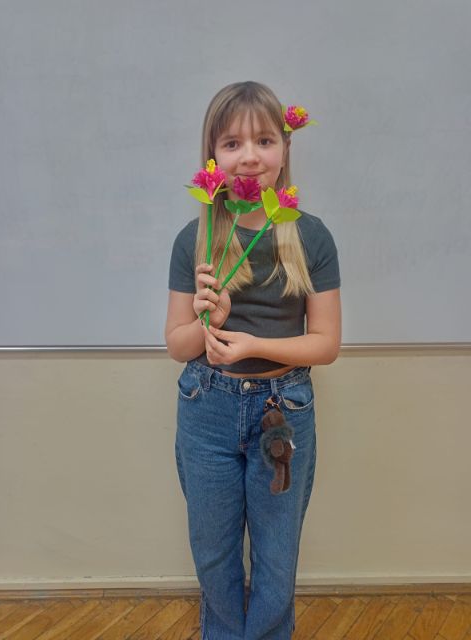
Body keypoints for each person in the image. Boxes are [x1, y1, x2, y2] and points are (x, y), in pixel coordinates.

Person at [165, 81, 341, 640]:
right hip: (206, 407)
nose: (249, 156)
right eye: (232, 143)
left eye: (264, 140)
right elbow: (177, 345)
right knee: (214, 555)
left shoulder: (310, 237)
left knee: (276, 558)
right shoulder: (195, 239)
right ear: (213, 156)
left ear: (285, 148)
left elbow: (326, 344)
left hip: (282, 410)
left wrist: (253, 345)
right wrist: (207, 321)